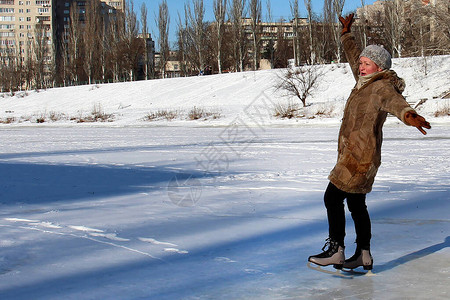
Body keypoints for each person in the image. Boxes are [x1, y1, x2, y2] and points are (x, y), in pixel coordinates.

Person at [308, 14, 431, 271]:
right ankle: (363, 254)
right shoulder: (364, 81)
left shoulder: (381, 87)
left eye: (367, 64)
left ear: (380, 67)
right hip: (355, 155)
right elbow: (353, 55)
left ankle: (336, 249)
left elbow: (396, 104)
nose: (361, 67)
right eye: (362, 63)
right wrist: (346, 33)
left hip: (359, 158)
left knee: (332, 198)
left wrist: (409, 115)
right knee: (355, 204)